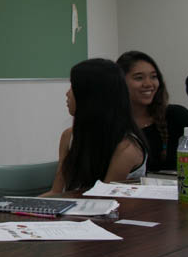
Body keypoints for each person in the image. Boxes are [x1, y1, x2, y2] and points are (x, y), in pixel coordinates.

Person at [48, 59, 146, 194]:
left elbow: (103, 199)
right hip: (72, 208)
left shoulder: (127, 147)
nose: (67, 93)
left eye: (72, 86)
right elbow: (56, 192)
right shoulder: (68, 136)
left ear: (90, 96)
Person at [117, 51, 188, 172]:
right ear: (120, 82)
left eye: (153, 77)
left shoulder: (174, 114)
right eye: (139, 78)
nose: (148, 84)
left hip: (178, 188)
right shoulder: (112, 122)